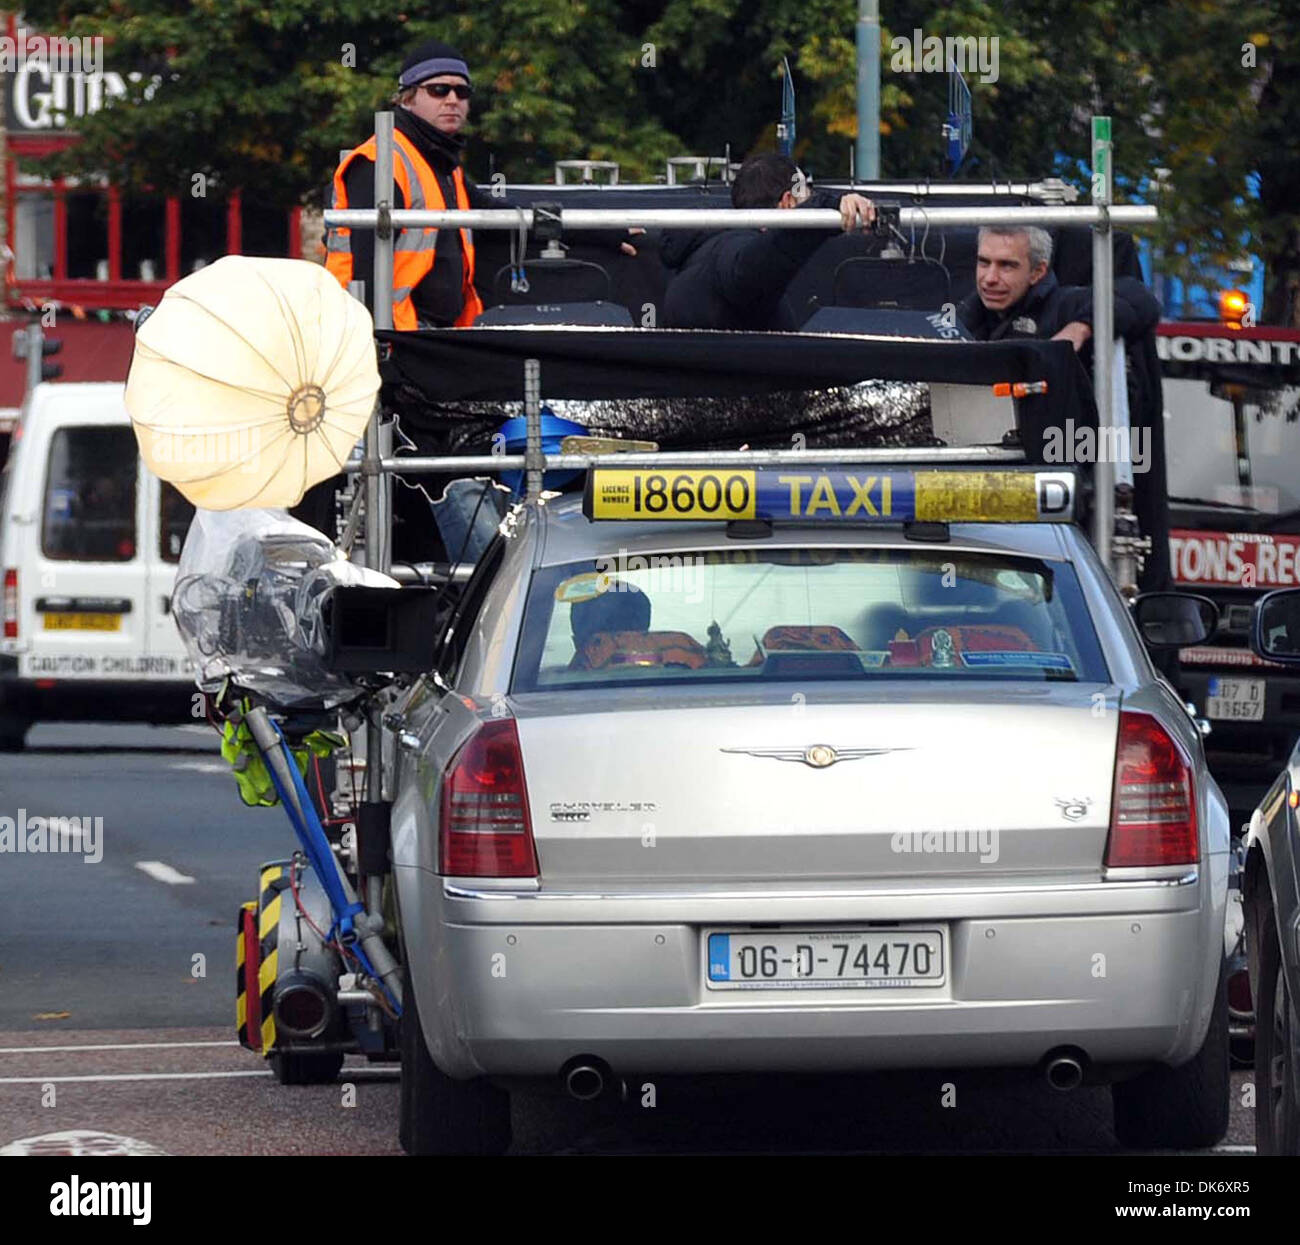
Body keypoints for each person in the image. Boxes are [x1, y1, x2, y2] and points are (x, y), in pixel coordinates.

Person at [327, 39, 640, 330]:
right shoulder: (378, 162)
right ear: (407, 98)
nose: (452, 100)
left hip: (431, 335)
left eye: (462, 93)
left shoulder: (441, 164)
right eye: (438, 90)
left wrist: (601, 230)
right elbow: (363, 272)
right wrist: (377, 351)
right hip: (387, 339)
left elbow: (506, 218)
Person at [661, 154, 878, 330]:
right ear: (788, 202)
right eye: (806, 198)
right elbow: (753, 268)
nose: (811, 200)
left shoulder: (707, 250)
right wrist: (827, 207)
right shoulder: (733, 255)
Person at [957, 225, 1160, 348]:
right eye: (984, 262)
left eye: (1007, 265)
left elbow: (1140, 298)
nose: (990, 278)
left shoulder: (1065, 306)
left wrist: (1081, 328)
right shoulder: (964, 314)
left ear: (1038, 272)